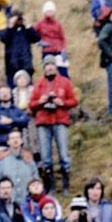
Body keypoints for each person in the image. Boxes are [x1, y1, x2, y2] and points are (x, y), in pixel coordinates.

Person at [28, 57, 78, 191]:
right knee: (45, 156)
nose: (49, 68)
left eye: (52, 65)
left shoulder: (65, 82)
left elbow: (73, 101)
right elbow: (31, 105)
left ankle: (66, 185)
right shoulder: (39, 84)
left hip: (60, 120)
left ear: (56, 67)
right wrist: (41, 101)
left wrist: (62, 103)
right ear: (43, 68)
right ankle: (50, 186)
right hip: (43, 122)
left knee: (64, 154)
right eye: (47, 66)